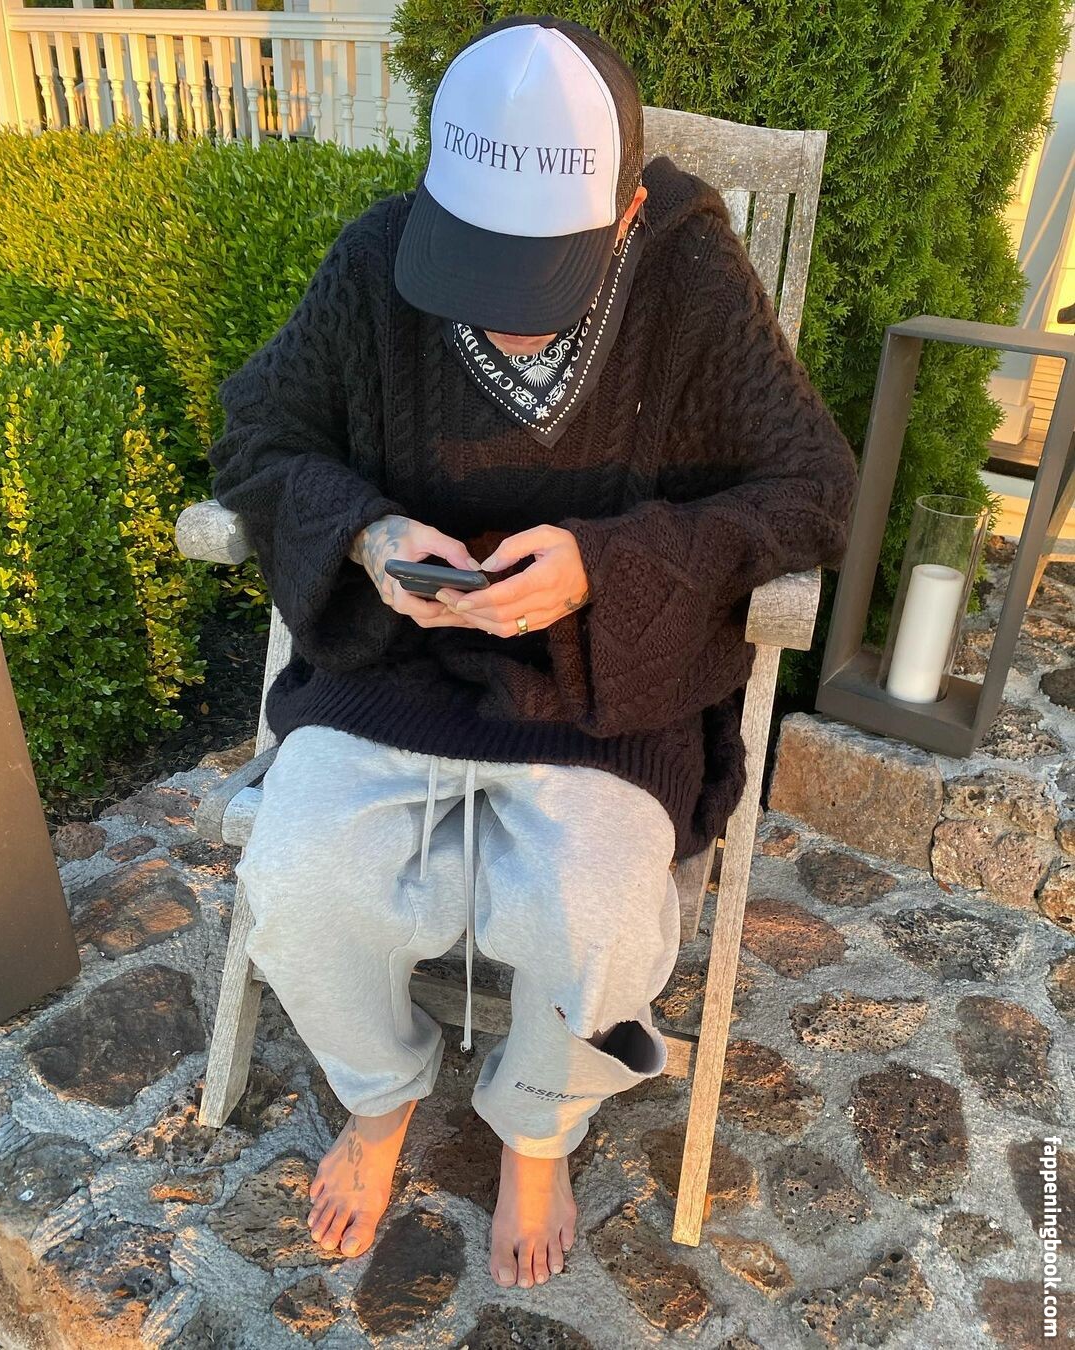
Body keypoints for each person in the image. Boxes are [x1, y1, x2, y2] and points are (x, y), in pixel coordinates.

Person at [206, 12, 859, 1291]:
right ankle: (381, 1099)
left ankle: (538, 1132)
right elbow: (257, 437)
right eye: (478, 265)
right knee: (298, 880)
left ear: (624, 214)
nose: (506, 315)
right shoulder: (379, 255)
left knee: (597, 914)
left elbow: (812, 488)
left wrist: (606, 568)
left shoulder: (686, 272)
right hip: (394, 676)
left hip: (603, 698)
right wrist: (367, 535)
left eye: (539, 275)